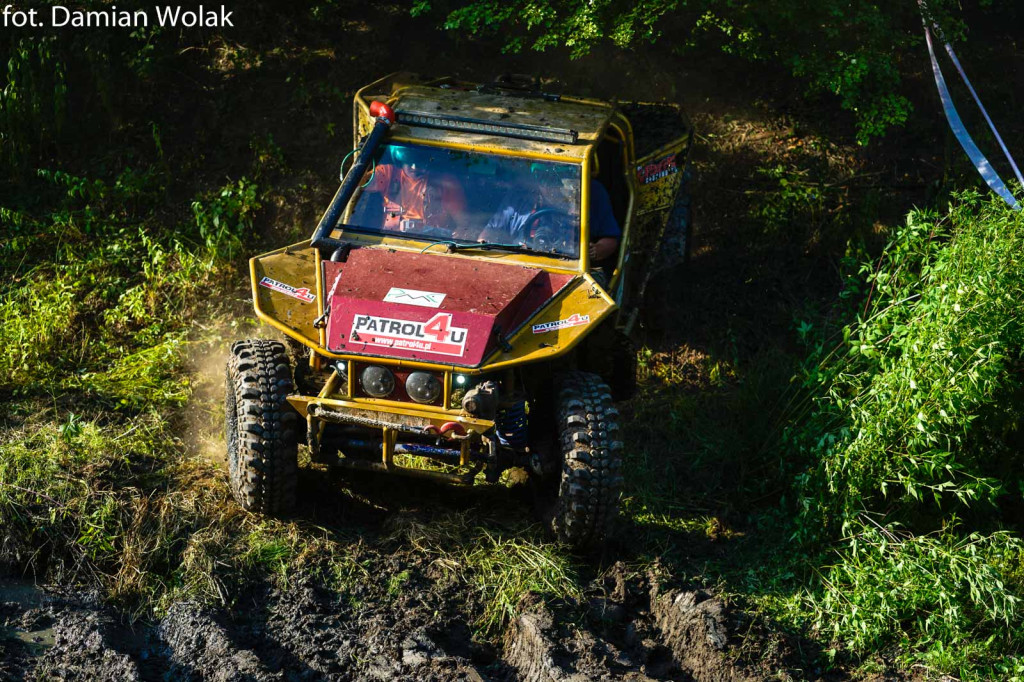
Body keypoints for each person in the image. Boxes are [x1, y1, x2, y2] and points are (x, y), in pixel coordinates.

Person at [480, 171, 621, 264]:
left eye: (563, 180)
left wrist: (594, 251)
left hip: (571, 267)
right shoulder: (520, 196)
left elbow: (611, 239)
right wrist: (489, 246)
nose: (557, 187)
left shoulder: (590, 192)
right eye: (547, 180)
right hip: (519, 261)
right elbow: (488, 233)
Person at [359, 145, 467, 236]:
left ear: (429, 161)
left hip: (430, 243)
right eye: (409, 162)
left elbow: (463, 223)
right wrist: (364, 157)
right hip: (391, 240)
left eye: (419, 163)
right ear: (400, 160)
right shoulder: (388, 173)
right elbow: (361, 183)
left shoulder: (446, 182)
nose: (414, 167)